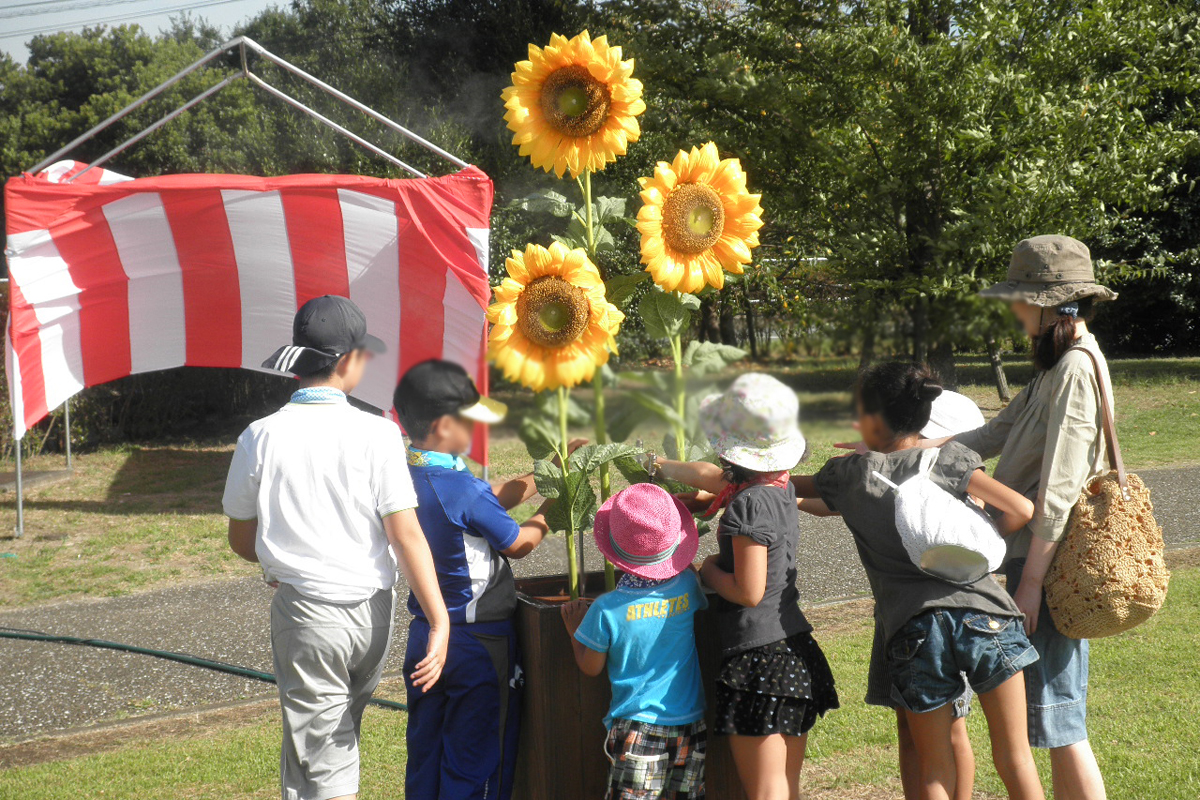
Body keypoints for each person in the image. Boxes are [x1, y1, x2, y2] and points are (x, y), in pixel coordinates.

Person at [222, 295, 450, 800]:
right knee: (328, 740)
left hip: (305, 614)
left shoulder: (259, 436)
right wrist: (440, 620)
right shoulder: (379, 434)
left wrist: (272, 560)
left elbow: (241, 537)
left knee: (325, 755)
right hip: (372, 615)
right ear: (347, 361)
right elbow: (405, 533)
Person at [795, 361, 1044, 800]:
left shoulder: (850, 474)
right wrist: (978, 541)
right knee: (1015, 757)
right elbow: (1021, 510)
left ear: (870, 419)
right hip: (987, 615)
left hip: (913, 628)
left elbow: (791, 487)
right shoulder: (948, 459)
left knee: (934, 768)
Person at [927, 235, 1117, 800]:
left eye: (1019, 298)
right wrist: (907, 448)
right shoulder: (1055, 366)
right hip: (1036, 558)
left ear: (1050, 303)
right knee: (1055, 716)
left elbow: (1059, 491)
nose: (1013, 310)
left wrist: (1030, 585)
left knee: (1061, 717)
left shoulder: (1077, 369)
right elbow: (995, 432)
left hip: (1050, 564)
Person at [649, 373, 839, 800]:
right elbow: (707, 478)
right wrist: (658, 467)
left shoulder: (747, 503)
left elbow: (748, 591)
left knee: (764, 790)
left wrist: (708, 570)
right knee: (785, 786)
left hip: (760, 659)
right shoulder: (778, 487)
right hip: (792, 646)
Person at [393, 359, 571, 800]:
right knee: (476, 762)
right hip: (478, 645)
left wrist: (550, 468)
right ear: (443, 424)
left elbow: (489, 502)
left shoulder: (404, 476)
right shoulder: (461, 487)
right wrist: (555, 504)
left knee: (426, 755)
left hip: (426, 638)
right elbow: (518, 544)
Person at [868, 390, 988, 800]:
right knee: (908, 727)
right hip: (895, 617)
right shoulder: (891, 476)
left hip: (941, 620)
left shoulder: (952, 484)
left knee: (951, 729)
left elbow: (1005, 518)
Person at [560, 483, 708, 800]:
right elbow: (691, 577)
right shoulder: (686, 586)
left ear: (614, 550)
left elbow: (591, 666)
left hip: (638, 728)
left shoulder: (606, 609)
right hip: (690, 724)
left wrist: (574, 630)